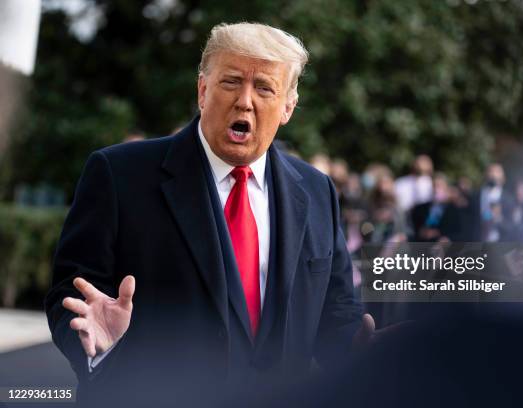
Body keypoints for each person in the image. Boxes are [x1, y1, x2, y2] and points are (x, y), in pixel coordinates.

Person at [44, 22, 373, 407]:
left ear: (288, 107)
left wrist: (362, 347)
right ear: (203, 90)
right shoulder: (119, 175)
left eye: (264, 87)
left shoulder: (317, 191)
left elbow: (334, 312)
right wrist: (97, 346)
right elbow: (72, 293)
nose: (245, 101)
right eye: (231, 82)